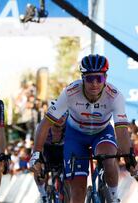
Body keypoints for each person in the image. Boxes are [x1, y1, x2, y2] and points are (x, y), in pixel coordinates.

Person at [29, 54, 138, 203]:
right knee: (78, 191)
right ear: (82, 78)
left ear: (105, 78)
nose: (94, 84)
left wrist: (128, 158)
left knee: (108, 158)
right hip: (75, 136)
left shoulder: (115, 96)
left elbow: (121, 129)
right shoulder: (70, 92)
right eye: (89, 78)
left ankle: (113, 196)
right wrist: (36, 153)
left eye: (99, 78)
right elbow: (45, 123)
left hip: (102, 133)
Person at [33, 101, 67, 203]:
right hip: (46, 149)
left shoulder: (69, 125)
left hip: (63, 149)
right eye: (58, 115)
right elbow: (36, 149)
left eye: (64, 114)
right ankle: (43, 194)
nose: (61, 118)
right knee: (38, 168)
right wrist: (38, 164)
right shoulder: (43, 126)